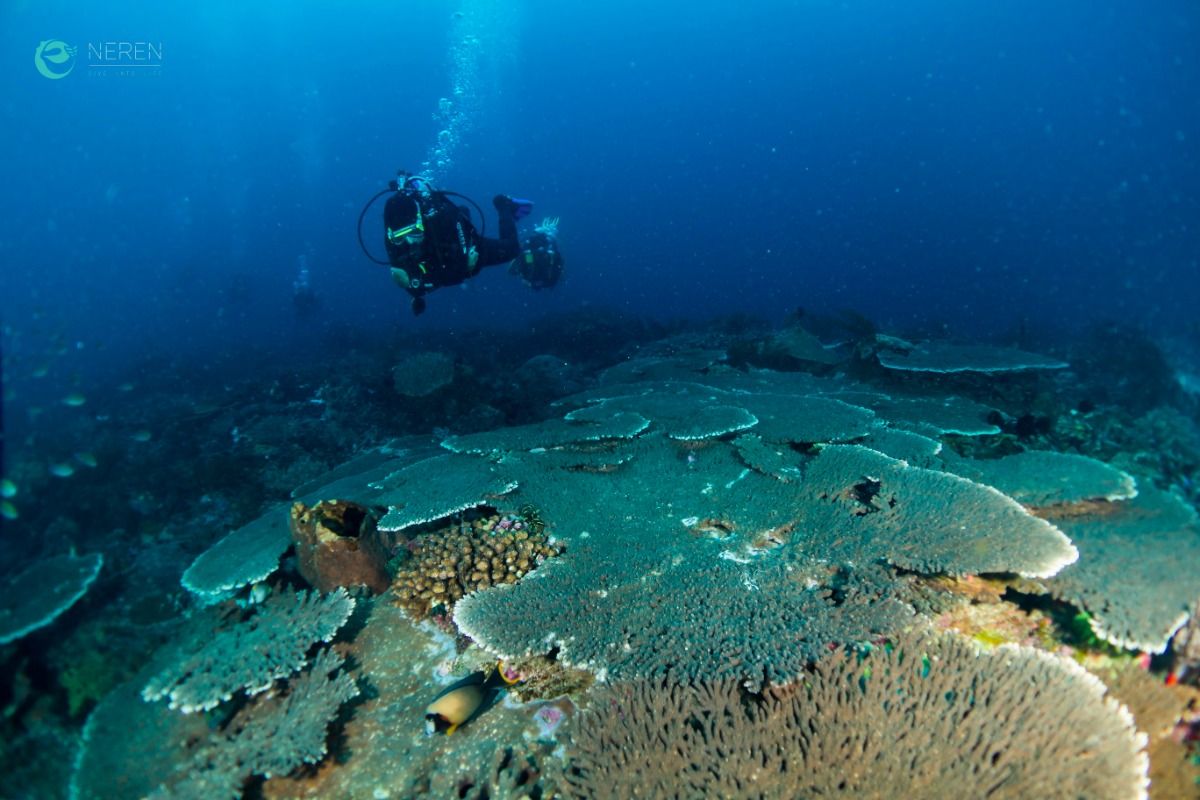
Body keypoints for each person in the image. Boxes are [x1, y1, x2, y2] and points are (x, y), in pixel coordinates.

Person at [383, 174, 531, 316]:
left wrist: (464, 265)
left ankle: (503, 204)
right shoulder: (392, 236)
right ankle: (464, 211)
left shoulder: (444, 218)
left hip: (461, 242)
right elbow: (409, 278)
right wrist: (413, 290)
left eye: (415, 232)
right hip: (440, 256)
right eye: (400, 237)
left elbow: (460, 269)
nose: (410, 241)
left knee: (512, 249)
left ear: (420, 222)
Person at [509, 217, 564, 291]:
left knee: (529, 254)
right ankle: (546, 233)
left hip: (534, 256)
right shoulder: (548, 280)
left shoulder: (529, 275)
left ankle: (545, 233)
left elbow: (512, 270)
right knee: (529, 254)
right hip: (536, 256)